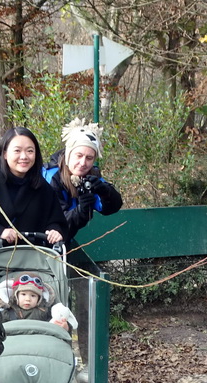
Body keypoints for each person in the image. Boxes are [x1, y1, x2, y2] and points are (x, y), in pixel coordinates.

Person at [42, 118, 123, 365]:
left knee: (82, 303)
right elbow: (57, 225)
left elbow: (113, 206)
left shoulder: (90, 175)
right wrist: (83, 211)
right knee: (49, 302)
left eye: (89, 158)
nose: (83, 163)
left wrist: (103, 190)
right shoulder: (51, 177)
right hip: (42, 246)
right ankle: (48, 358)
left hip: (67, 246)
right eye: (78, 156)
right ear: (68, 153)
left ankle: (83, 362)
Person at [0, 127, 67, 287]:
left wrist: (54, 230)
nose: (24, 157)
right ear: (4, 153)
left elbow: (55, 219)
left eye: (30, 151)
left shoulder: (42, 187)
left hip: (30, 270)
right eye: (17, 151)